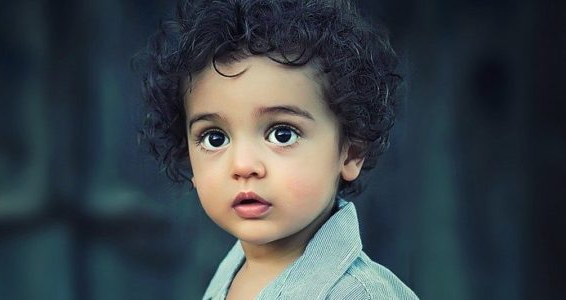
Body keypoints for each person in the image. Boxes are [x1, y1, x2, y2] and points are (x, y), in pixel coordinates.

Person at [137, 0, 418, 298]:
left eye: (282, 134)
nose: (243, 165)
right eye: (214, 138)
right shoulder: (231, 272)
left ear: (351, 153)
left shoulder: (362, 294)